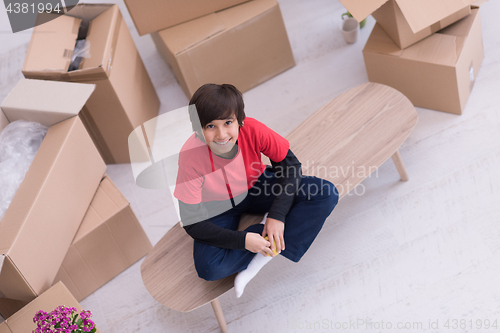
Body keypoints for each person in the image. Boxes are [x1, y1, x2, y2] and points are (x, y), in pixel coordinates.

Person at [174, 83, 339, 298]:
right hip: (217, 206)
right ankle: (262, 239)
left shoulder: (252, 129)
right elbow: (193, 223)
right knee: (209, 269)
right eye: (210, 126)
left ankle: (264, 252)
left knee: (325, 193)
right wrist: (243, 241)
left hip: (257, 185)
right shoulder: (189, 157)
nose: (221, 134)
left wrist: (277, 216)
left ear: (240, 121)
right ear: (197, 129)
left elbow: (290, 167)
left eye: (228, 123)